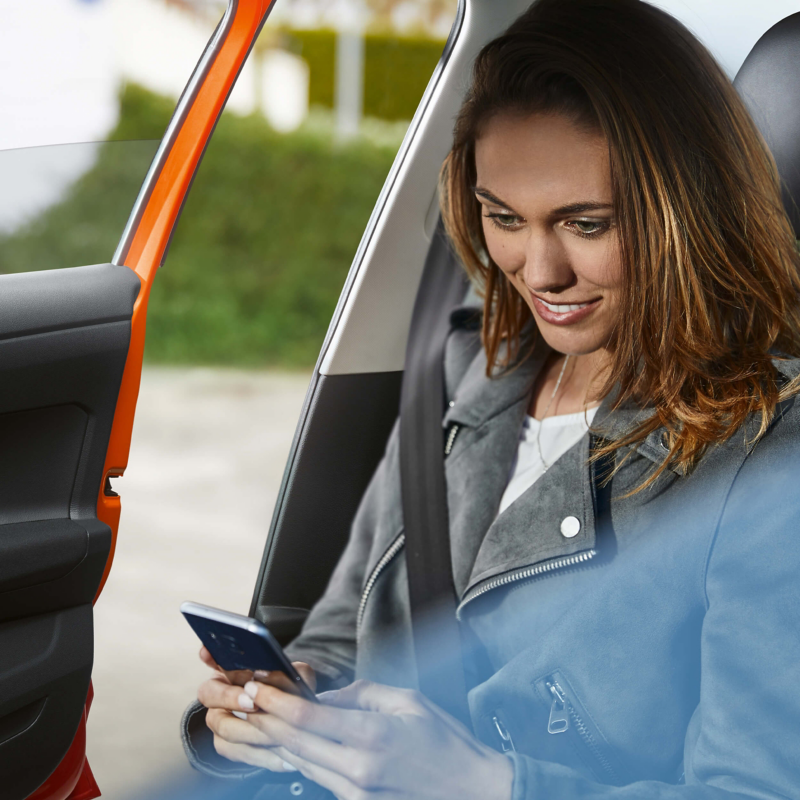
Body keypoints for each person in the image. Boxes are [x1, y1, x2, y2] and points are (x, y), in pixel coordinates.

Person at [183, 0, 800, 797]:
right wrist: (289, 699)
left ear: (688, 211)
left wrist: (488, 784)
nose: (538, 271)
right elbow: (341, 634)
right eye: (503, 216)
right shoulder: (462, 373)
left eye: (587, 223)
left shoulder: (765, 459)